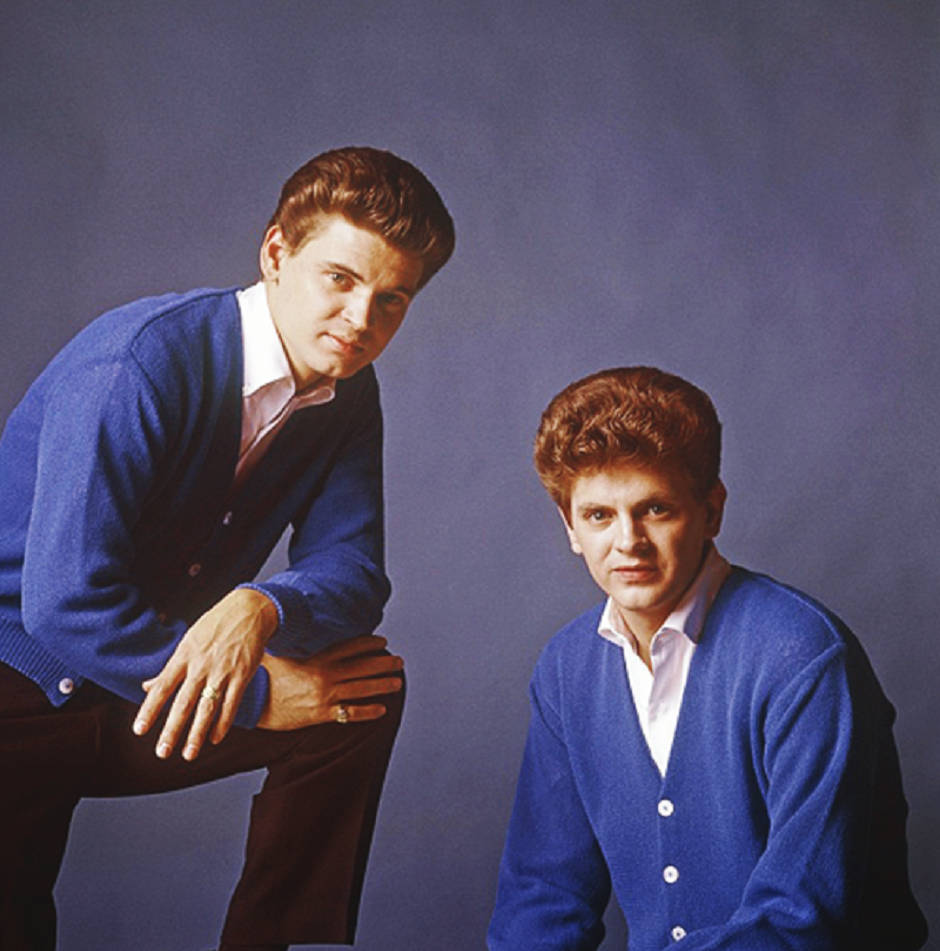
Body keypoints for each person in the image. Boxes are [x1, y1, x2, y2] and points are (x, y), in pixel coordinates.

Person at [0, 146, 454, 951]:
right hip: (20, 687)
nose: (361, 322)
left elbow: (354, 569)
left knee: (361, 692)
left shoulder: (346, 389)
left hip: (140, 686)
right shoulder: (136, 362)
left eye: (392, 299)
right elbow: (62, 602)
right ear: (276, 253)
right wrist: (252, 697)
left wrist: (261, 604)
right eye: (341, 281)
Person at [488, 367, 927, 951]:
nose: (628, 543)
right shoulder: (566, 667)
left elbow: (802, 919)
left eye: (656, 510)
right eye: (599, 515)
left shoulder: (802, 655)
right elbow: (543, 895)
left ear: (711, 511)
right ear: (569, 525)